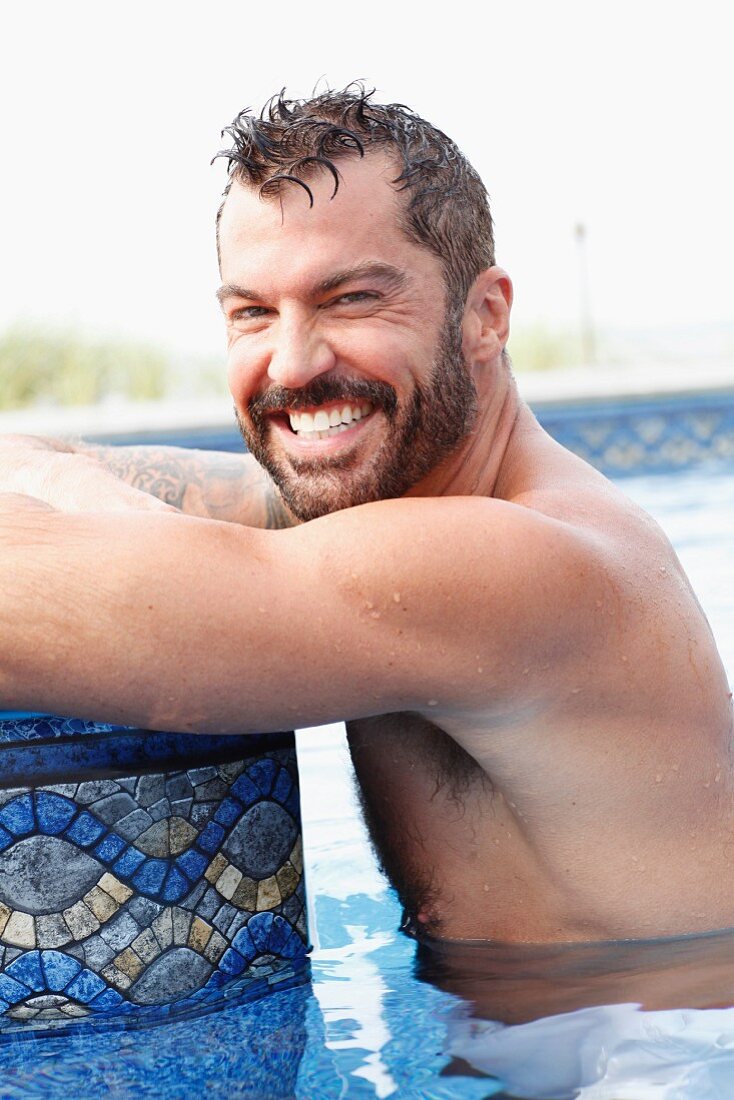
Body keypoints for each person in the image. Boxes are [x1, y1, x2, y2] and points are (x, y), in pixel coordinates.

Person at [0, 86, 731, 948]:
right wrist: (122, 525)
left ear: (485, 316)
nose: (294, 363)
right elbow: (52, 460)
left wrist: (141, 550)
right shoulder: (396, 503)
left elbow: (66, 610)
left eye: (350, 299)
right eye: (254, 313)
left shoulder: (534, 565)